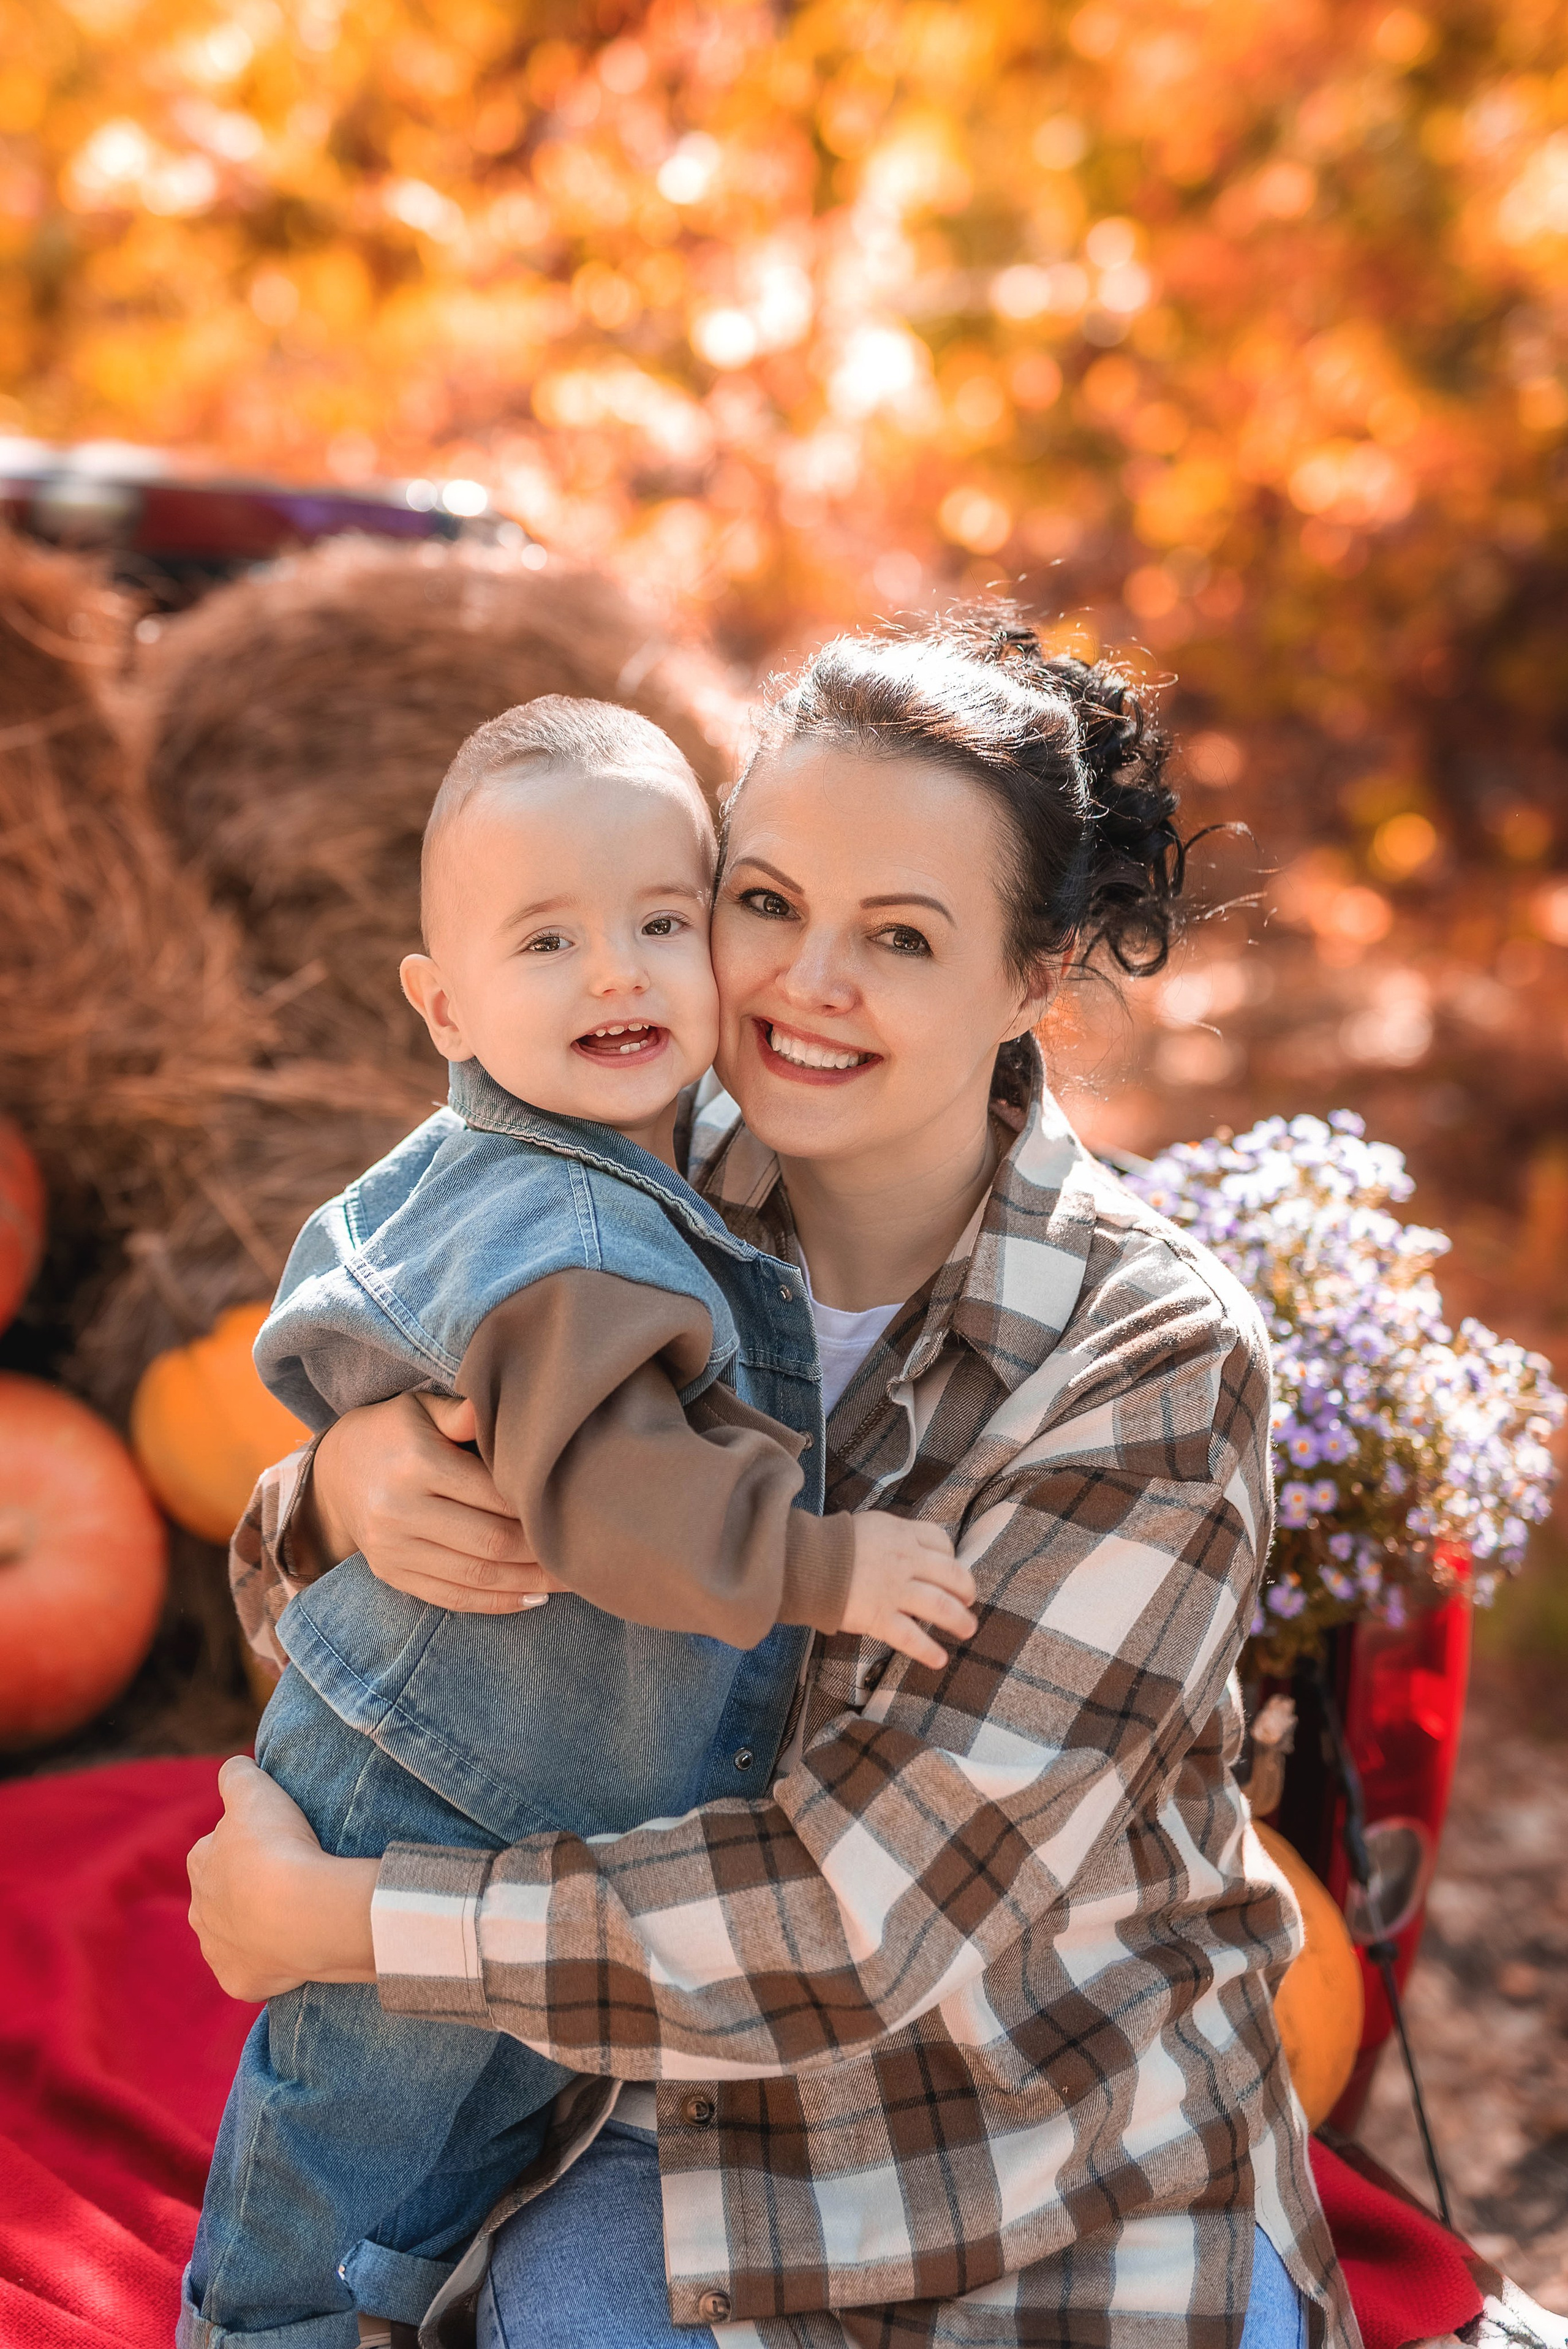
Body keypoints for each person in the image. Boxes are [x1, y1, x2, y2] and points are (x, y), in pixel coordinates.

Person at [190, 606, 1356, 2349]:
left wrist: (348, 1920)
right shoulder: (613, 1202)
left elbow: (857, 1928)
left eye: (901, 934)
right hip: (669, 2115)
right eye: (764, 902)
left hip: (1053, 2147)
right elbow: (332, 1617)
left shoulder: (1148, 1364)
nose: (808, 982)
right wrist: (348, 1490)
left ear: (1035, 978)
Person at [183, 694, 973, 2349]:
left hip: (523, 1801)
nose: (616, 972)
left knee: (450, 2155)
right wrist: (826, 1563)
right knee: (343, 2161)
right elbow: (618, 1497)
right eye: (549, 940)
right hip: (429, 1796)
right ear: (444, 1004)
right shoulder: (567, 1230)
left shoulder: (623, 1166)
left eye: (660, 923)